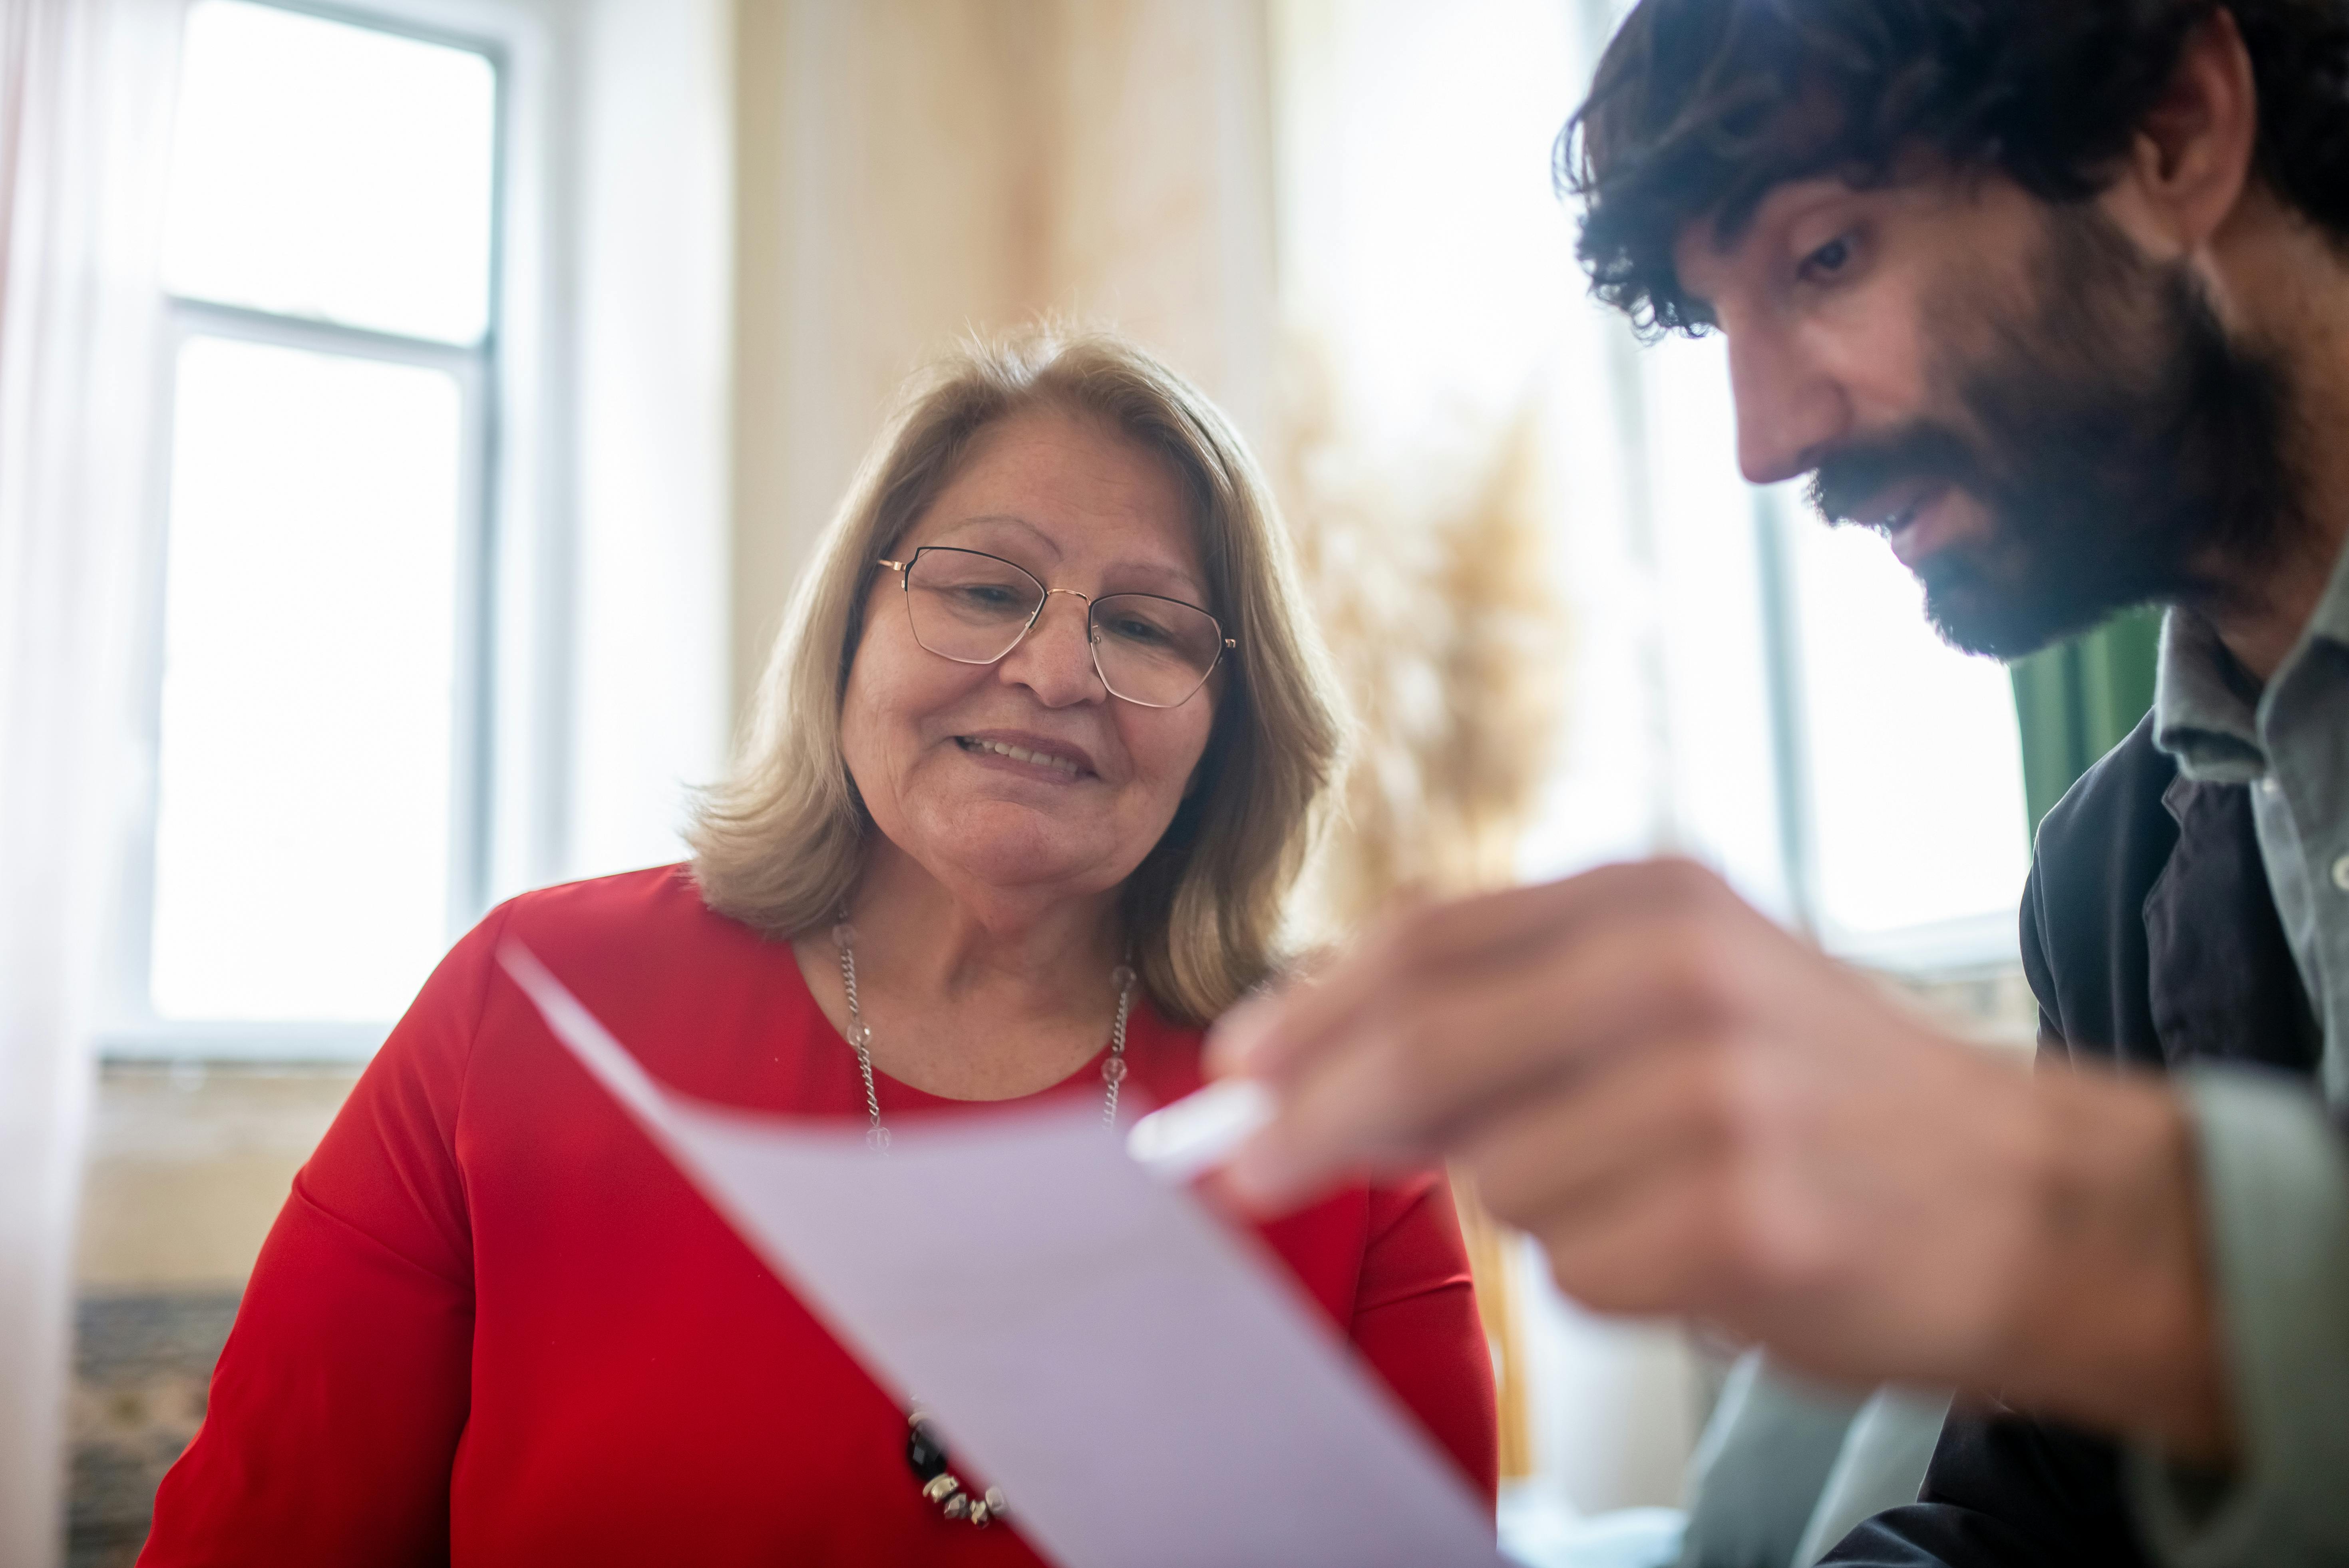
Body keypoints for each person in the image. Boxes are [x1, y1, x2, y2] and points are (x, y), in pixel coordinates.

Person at [1211, 2, 2349, 1563]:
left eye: (1827, 257)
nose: (1764, 439)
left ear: (2175, 134)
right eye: (1719, 314)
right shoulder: (2111, 870)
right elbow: (2046, 1525)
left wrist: (2092, 1233)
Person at [138, 330, 1498, 1566]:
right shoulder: (531, 1007)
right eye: (984, 589)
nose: (1056, 671)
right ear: (850, 626)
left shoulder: (1337, 1118)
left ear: (1229, 727)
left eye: (1145, 625)